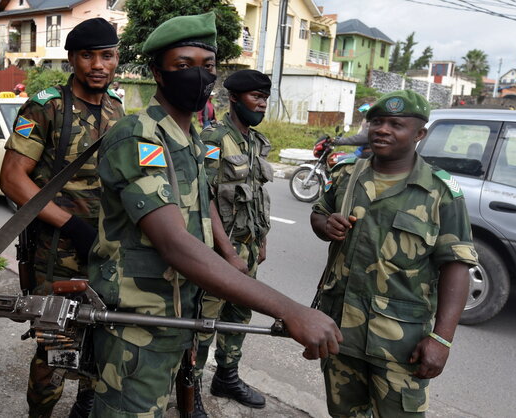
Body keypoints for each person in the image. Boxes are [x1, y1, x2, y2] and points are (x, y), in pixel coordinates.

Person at [87, 12, 341, 417]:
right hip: (137, 324)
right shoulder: (140, 135)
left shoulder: (185, 136)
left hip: (177, 317)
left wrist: (230, 254)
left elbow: (203, 207)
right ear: (157, 72)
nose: (200, 77)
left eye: (208, 67)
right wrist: (290, 309)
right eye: (183, 66)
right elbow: (175, 243)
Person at [309, 90, 479, 417]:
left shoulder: (440, 192)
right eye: (377, 122)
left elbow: (456, 265)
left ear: (419, 134)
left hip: (401, 344)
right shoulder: (346, 173)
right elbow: (318, 213)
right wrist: (325, 224)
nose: (383, 129)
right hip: (340, 331)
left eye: (396, 124)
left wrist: (441, 340)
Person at [0, 18, 124, 418]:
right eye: (87, 56)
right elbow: (13, 179)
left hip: (106, 250)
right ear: (72, 58)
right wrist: (73, 226)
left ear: (117, 58)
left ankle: (85, 404)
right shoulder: (45, 106)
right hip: (56, 251)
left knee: (102, 332)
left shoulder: (117, 108)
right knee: (56, 344)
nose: (98, 65)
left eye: (107, 55)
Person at [192, 69, 273, 416]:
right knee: (205, 322)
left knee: (238, 316)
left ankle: (226, 376)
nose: (262, 104)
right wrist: (226, 252)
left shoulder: (254, 142)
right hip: (218, 252)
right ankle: (190, 386)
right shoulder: (213, 138)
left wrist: (262, 241)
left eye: (265, 98)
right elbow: (203, 197)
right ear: (235, 99)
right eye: (256, 97)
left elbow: (257, 195)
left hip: (248, 247)